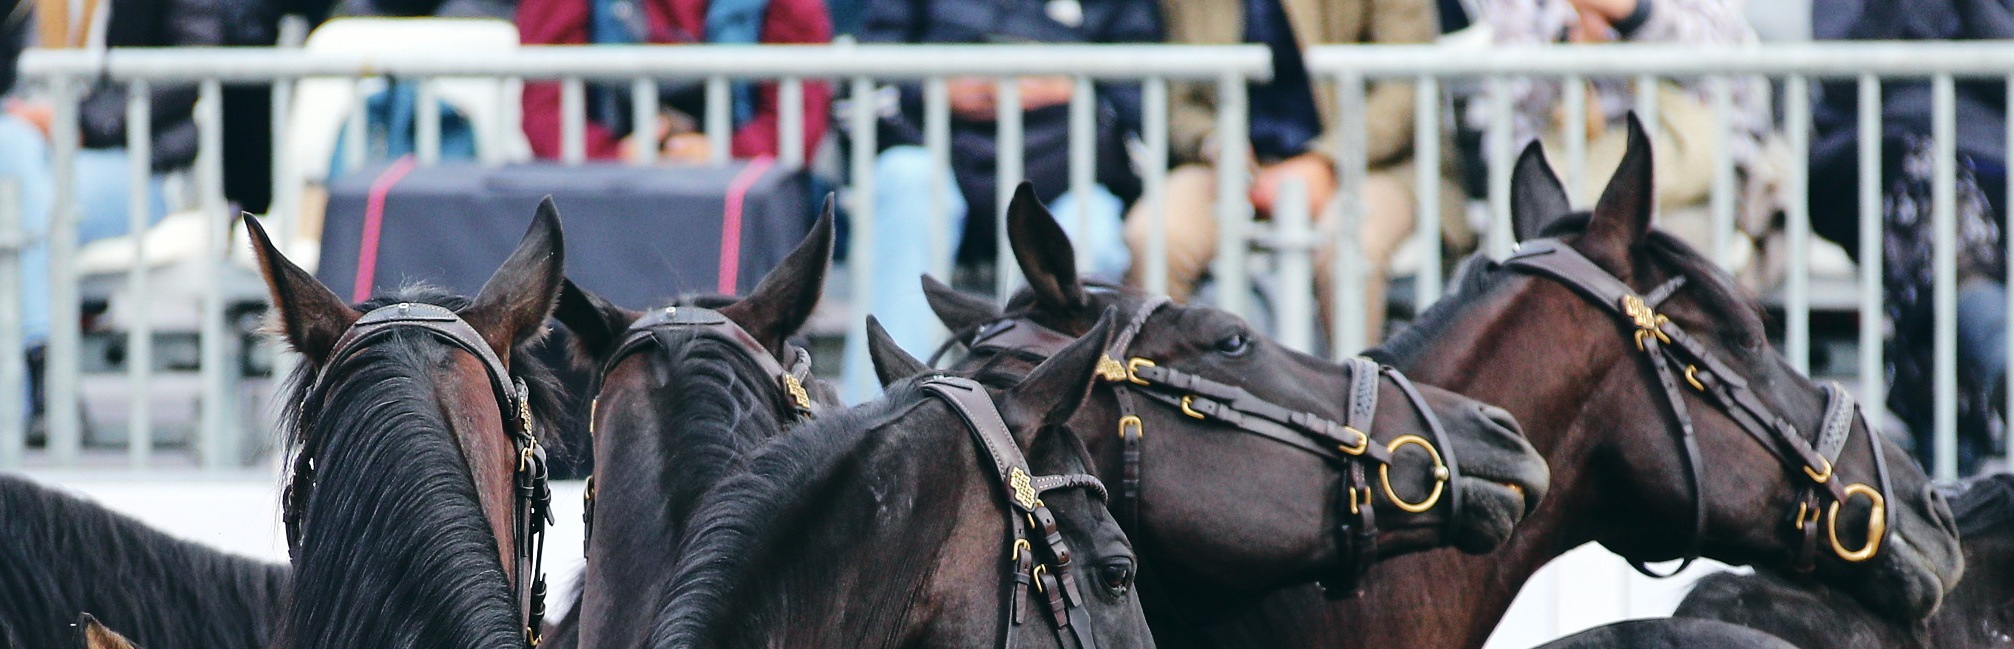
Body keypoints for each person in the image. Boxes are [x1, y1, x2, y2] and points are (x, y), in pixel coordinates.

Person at [0, 0, 227, 460]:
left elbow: (190, 63)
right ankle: (40, 351)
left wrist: (78, 123)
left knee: (1, 219)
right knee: (8, 163)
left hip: (120, 157)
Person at [850, 0, 1157, 396]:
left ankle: (1051, 420)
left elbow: (1145, 110)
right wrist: (932, 87)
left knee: (1090, 227)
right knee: (906, 179)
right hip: (937, 151)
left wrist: (1072, 82)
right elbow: (860, 83)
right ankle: (881, 413)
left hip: (1065, 171)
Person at [1128, 0, 1440, 344]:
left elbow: (1403, 91)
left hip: (1372, 162)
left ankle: (1360, 392)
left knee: (1349, 248)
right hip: (1228, 166)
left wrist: (1327, 160)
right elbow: (1181, 102)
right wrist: (1217, 144)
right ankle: (1154, 388)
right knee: (1154, 236)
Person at [1810, 0, 2012, 472]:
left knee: (1940, 235)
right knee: (1929, 189)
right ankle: (2001, 354)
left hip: (1991, 162)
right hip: (1876, 155)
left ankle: (1950, 470)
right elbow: (1838, 80)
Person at [1479, 0, 1762, 243]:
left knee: (1663, 268)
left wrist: (1635, 14)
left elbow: (1722, 55)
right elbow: (1507, 89)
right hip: (1559, 183)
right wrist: (1568, 43)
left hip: (1692, 191)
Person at [517, 0, 832, 165]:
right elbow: (544, 110)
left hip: (743, 193)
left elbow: (800, 116)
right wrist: (615, 156)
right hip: (609, 193)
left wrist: (725, 154)